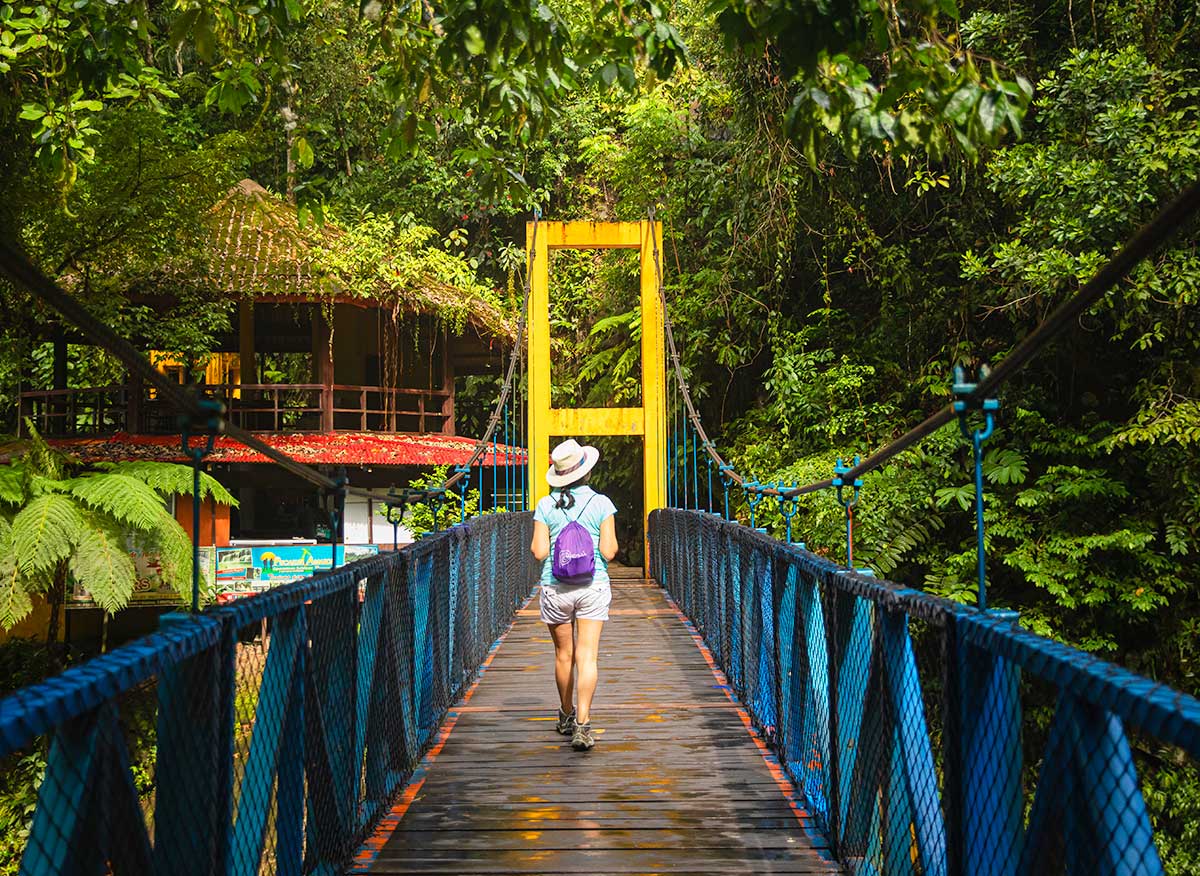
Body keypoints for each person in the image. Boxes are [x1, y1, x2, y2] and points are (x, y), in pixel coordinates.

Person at [531, 439, 619, 751]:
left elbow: (539, 551)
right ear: (586, 471)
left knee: (563, 655)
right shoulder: (602, 504)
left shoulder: (544, 505)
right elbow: (609, 550)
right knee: (587, 656)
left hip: (555, 588)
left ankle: (565, 715)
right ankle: (583, 725)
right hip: (593, 586)